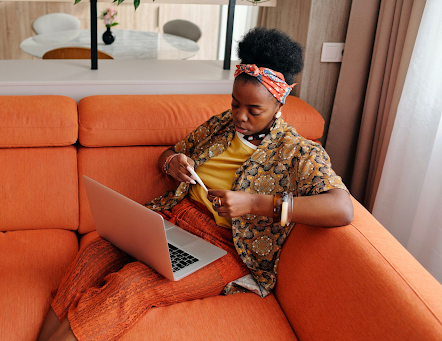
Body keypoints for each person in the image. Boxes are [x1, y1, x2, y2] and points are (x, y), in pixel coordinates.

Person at [37, 27, 354, 341]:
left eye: (254, 110)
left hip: (225, 247)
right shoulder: (221, 125)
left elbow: (341, 209)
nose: (240, 116)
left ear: (283, 99)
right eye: (235, 104)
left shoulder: (297, 151)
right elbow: (170, 153)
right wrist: (173, 163)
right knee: (95, 252)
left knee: (130, 285)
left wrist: (256, 203)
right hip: (172, 220)